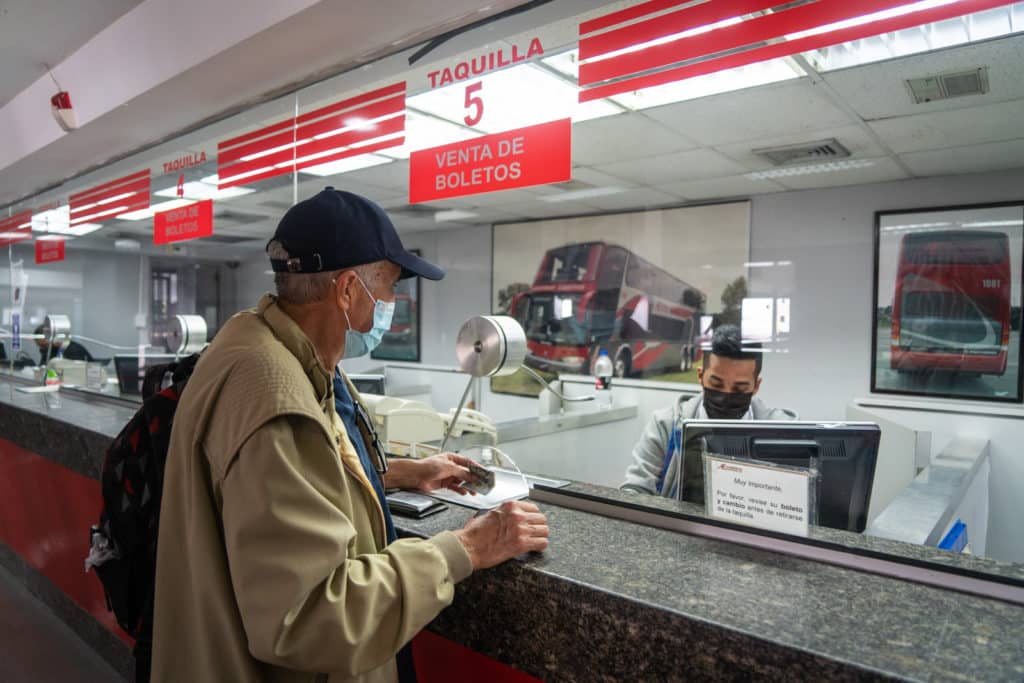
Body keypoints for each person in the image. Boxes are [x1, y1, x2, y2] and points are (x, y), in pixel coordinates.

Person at [152, 187, 549, 683]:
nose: (391, 304)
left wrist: (401, 473)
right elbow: (311, 617)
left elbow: (299, 482)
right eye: (386, 289)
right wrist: (465, 548)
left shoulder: (261, 346)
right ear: (346, 291)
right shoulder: (277, 401)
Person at [621, 324, 796, 498]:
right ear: (700, 376)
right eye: (716, 384)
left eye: (740, 388)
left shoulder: (783, 433)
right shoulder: (665, 426)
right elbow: (634, 491)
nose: (726, 395)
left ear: (756, 386)